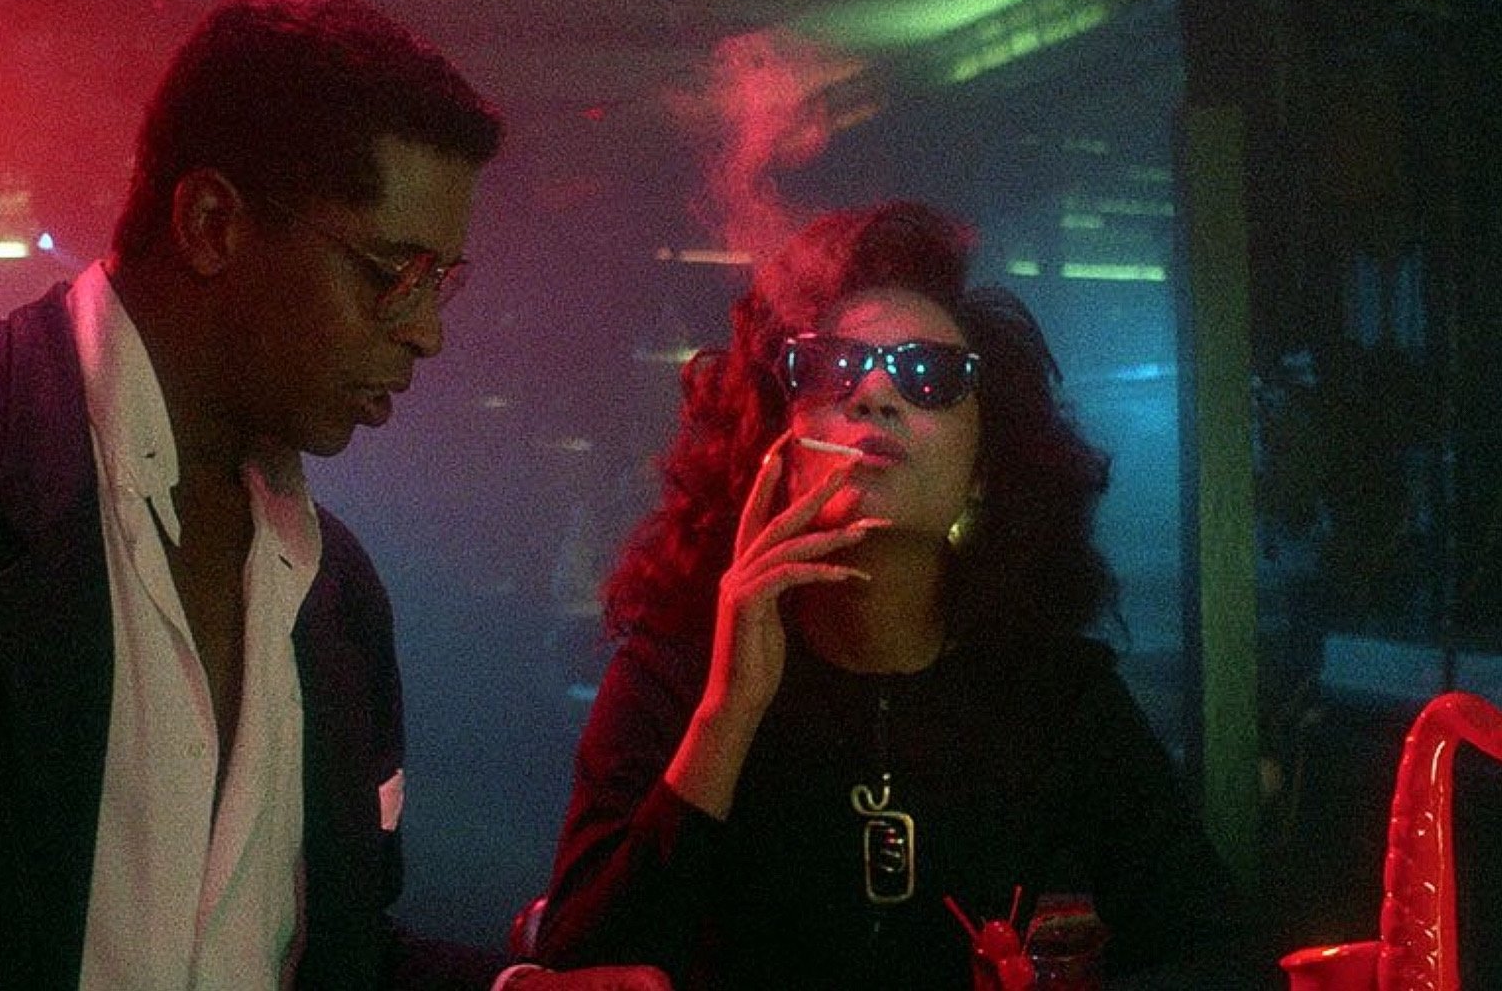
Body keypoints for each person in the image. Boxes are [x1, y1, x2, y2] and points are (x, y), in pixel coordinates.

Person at [0, 0, 667, 991]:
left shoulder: (339, 595)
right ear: (211, 224)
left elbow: (315, 951)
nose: (428, 332)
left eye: (444, 282)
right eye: (393, 273)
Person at [530, 202, 1268, 988]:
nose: (876, 393)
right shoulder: (673, 676)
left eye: (931, 376)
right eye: (830, 368)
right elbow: (580, 969)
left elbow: (1222, 957)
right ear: (779, 447)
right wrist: (727, 714)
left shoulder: (1053, 695)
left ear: (984, 469)